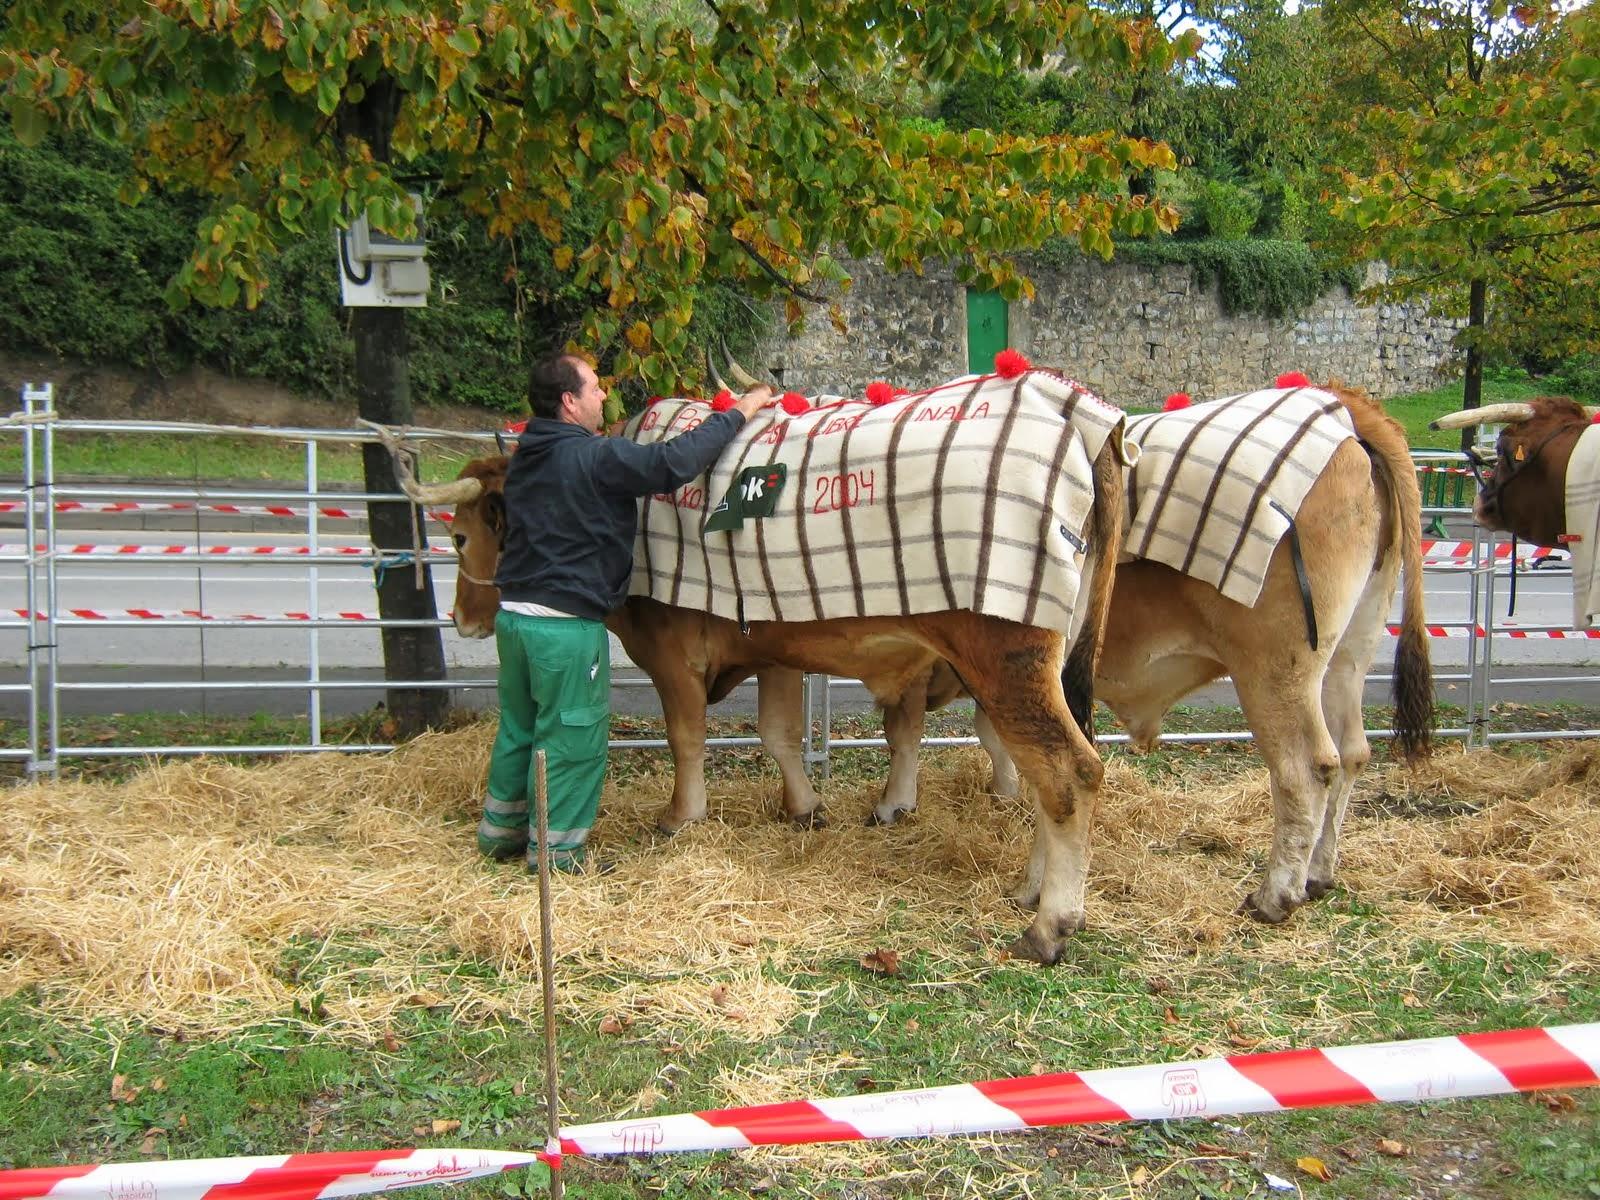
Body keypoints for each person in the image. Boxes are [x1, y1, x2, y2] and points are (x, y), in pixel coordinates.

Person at [479, 352, 773, 871]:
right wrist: (739, 413)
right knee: (572, 737)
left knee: (520, 728)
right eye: (593, 388)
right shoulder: (594, 457)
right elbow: (672, 464)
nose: (602, 397)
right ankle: (559, 858)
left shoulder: (528, 454)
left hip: (515, 620)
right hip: (564, 628)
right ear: (568, 401)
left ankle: (501, 834)